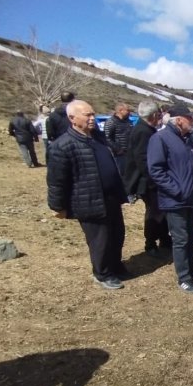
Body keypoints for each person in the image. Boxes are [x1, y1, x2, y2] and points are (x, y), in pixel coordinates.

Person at [47, 100, 128, 289]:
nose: (92, 118)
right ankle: (102, 273)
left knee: (117, 234)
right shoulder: (63, 145)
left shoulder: (97, 138)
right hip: (88, 199)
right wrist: (57, 206)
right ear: (72, 118)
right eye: (87, 115)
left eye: (93, 114)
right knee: (100, 240)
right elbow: (56, 181)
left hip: (110, 197)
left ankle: (115, 265)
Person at [147, 104, 193, 293]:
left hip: (191, 197)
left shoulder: (187, 139)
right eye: (189, 118)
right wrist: (177, 190)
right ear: (179, 119)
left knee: (191, 237)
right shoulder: (160, 138)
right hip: (176, 199)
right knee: (181, 239)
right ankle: (184, 277)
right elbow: (156, 170)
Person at [123, 100, 171, 258]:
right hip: (148, 181)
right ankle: (150, 243)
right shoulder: (143, 131)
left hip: (152, 179)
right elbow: (142, 160)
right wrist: (155, 180)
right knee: (154, 213)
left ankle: (164, 239)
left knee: (162, 211)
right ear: (154, 115)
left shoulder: (147, 129)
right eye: (158, 114)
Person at [103, 102, 133, 175]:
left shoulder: (128, 121)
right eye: (127, 110)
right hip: (118, 154)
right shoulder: (111, 122)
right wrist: (118, 149)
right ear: (120, 110)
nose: (129, 112)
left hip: (129, 152)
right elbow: (107, 138)